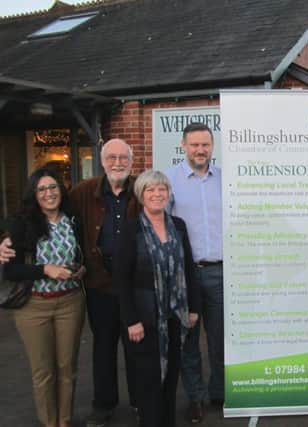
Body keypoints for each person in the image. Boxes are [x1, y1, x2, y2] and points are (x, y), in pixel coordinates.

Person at [113, 170, 200, 427]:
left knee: (170, 379)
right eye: (150, 190)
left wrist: (193, 308)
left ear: (168, 193)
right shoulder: (131, 230)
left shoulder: (179, 226)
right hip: (145, 319)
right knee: (149, 382)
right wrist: (131, 320)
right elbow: (122, 279)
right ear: (141, 195)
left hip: (174, 316)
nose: (157, 194)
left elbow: (189, 269)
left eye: (161, 189)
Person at [4, 168, 86, 427]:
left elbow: (81, 253)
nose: (49, 193)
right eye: (42, 189)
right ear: (34, 194)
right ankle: (49, 422)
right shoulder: (21, 224)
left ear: (61, 190)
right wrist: (44, 270)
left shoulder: (73, 219)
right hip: (34, 306)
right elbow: (12, 269)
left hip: (70, 302)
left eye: (53, 187)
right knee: (43, 371)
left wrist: (82, 267)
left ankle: (64, 421)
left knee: (67, 368)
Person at [70, 138, 140, 426]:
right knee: (103, 348)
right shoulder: (83, 192)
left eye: (123, 157)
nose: (117, 163)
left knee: (138, 348)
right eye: (111, 157)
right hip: (100, 285)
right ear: (102, 161)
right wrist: (9, 236)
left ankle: (141, 401)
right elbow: (45, 210)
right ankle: (104, 404)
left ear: (132, 161)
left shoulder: (141, 188)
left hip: (136, 286)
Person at [165, 122, 222, 422]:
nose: (200, 150)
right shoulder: (169, 181)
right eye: (194, 144)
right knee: (188, 340)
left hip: (219, 272)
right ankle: (196, 398)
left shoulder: (225, 179)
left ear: (212, 146)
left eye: (205, 145)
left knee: (220, 338)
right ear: (183, 146)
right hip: (184, 275)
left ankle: (220, 392)